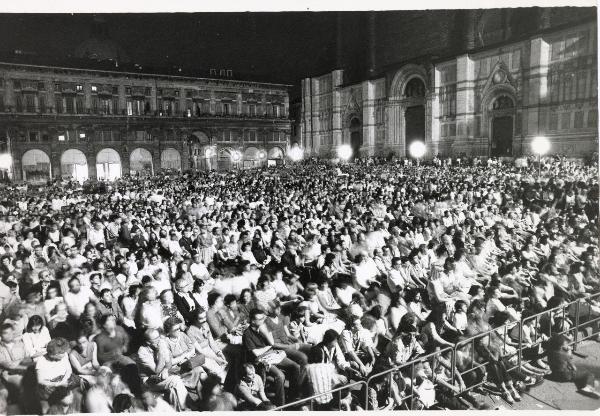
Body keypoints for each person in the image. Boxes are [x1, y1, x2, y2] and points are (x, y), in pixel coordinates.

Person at [242, 308, 304, 406]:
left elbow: (271, 343)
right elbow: (256, 353)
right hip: (260, 360)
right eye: (260, 319)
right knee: (280, 375)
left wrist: (266, 333)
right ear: (253, 321)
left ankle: (293, 396)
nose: (263, 320)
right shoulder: (247, 334)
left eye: (264, 318)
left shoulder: (264, 328)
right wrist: (268, 347)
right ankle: (281, 404)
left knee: (296, 366)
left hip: (271, 354)